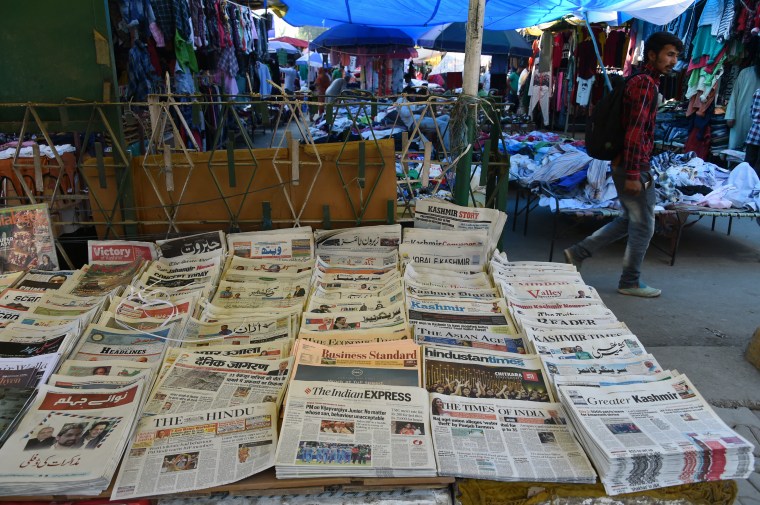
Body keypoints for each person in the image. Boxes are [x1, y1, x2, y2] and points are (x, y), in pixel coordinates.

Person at [564, 32, 683, 298]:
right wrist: (633, 173)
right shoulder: (645, 85)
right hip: (633, 165)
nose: (673, 61)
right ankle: (630, 281)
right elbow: (635, 132)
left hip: (630, 164)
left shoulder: (643, 81)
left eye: (676, 55)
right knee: (644, 225)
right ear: (652, 55)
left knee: (631, 219)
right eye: (669, 54)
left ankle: (578, 252)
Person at [726, 52, 760, 150]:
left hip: (756, 124)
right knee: (734, 148)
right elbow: (734, 94)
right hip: (740, 118)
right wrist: (730, 115)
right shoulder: (745, 73)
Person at [743, 88, 760, 179]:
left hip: (754, 135)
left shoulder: (758, 91)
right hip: (756, 134)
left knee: (749, 168)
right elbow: (756, 115)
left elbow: (752, 113)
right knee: (753, 170)